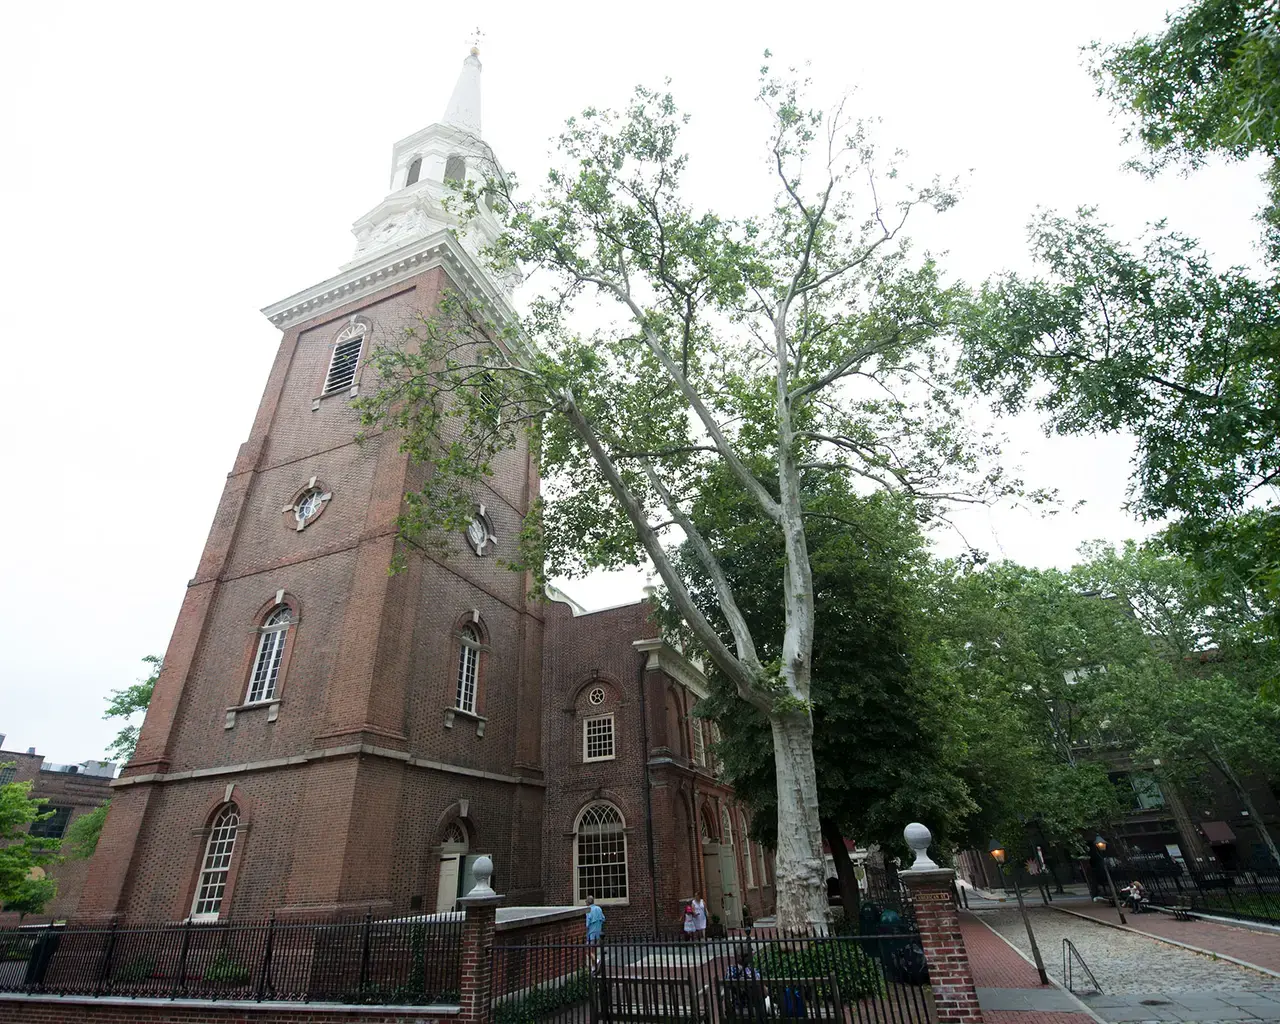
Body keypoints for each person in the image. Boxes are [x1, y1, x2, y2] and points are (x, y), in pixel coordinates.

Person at [584, 894, 606, 972]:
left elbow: (587, 924)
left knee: (587, 950)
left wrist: (585, 933)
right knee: (593, 950)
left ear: (588, 902)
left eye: (586, 901)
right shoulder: (599, 909)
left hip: (591, 934)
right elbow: (603, 919)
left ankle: (597, 961)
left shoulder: (588, 910)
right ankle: (594, 968)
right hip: (598, 933)